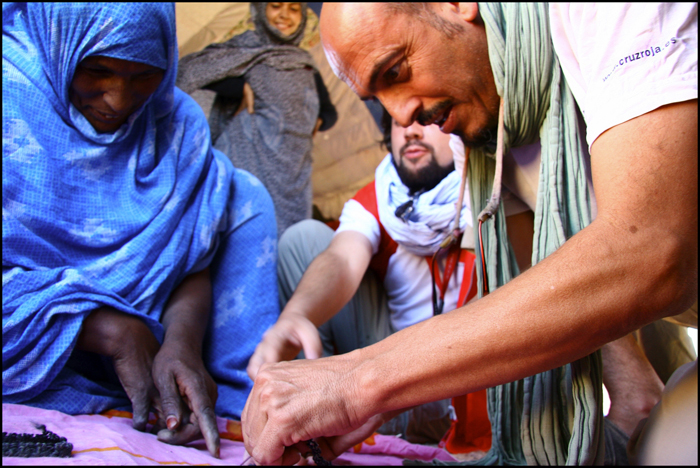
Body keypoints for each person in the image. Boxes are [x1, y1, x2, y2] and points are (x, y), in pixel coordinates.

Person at [241, 3, 697, 465]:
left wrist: (360, 381)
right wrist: (631, 384)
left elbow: (653, 249)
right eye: (377, 98)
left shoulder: (604, 11)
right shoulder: (491, 134)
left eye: (396, 71)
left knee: (673, 450)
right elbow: (546, 282)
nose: (402, 118)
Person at [2, 3, 280, 459]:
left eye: (145, 75)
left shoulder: (174, 123)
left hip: (153, 345)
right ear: (57, 40)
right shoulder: (11, 100)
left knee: (243, 194)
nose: (117, 99)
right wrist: (102, 327)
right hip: (36, 358)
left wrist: (180, 342)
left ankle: (236, 402)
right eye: (96, 70)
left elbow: (189, 255)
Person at [247, 110, 491, 448]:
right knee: (304, 240)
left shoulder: (496, 196)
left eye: (426, 116)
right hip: (388, 383)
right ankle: (315, 414)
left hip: (469, 380)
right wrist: (295, 316)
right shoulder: (383, 195)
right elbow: (343, 259)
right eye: (396, 120)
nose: (410, 130)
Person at [177, 2, 337, 236]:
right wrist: (241, 87)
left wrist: (317, 120)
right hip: (248, 157)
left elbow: (330, 112)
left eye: (294, 9)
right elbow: (192, 71)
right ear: (261, 10)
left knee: (287, 241)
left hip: (295, 171)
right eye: (275, 6)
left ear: (302, 18)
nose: (285, 15)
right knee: (245, 232)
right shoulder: (245, 48)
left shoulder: (306, 65)